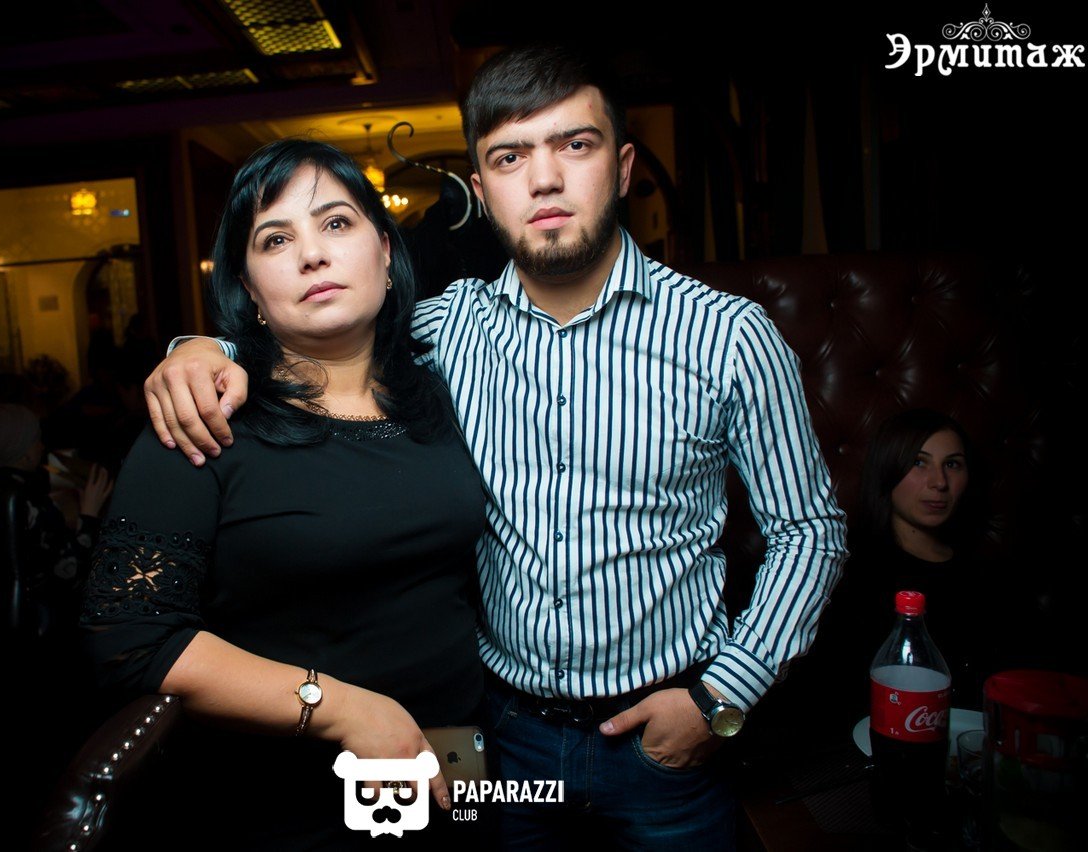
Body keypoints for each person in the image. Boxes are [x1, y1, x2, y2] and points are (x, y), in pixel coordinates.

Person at [143, 45, 846, 848]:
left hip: (668, 743)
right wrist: (202, 349)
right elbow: (317, 331)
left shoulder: (730, 337)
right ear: (480, 193)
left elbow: (809, 531)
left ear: (621, 168)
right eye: (510, 157)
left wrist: (721, 698)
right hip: (497, 734)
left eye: (574, 145)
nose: (543, 179)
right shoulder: (446, 329)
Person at [80, 139, 487, 848]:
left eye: (336, 223)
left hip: (458, 771)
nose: (312, 255)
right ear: (249, 289)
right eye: (276, 239)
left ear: (384, 251)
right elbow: (128, 638)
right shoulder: (204, 422)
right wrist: (338, 708)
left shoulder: (448, 393)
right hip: (291, 804)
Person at [844, 408, 990, 709]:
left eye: (952, 464)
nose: (939, 482)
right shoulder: (849, 566)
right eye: (919, 462)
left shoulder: (985, 574)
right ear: (888, 468)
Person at [0, 402, 113, 633]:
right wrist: (89, 515)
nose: (42, 446)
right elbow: (68, 573)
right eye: (36, 440)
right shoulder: (26, 501)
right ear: (22, 454)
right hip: (43, 619)